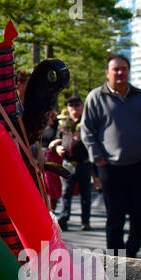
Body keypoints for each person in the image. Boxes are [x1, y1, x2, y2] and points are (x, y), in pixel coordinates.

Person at [82, 54, 141, 258]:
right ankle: (117, 261)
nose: (120, 73)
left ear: (128, 72)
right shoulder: (96, 97)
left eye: (123, 69)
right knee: (115, 217)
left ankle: (130, 253)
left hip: (139, 166)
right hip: (109, 167)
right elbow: (87, 130)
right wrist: (98, 158)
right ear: (107, 73)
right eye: (116, 69)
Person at [55, 94, 93, 230]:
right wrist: (57, 147)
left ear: (82, 107)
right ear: (68, 107)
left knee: (85, 194)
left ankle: (85, 221)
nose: (74, 108)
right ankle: (64, 218)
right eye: (71, 105)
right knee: (66, 193)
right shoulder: (64, 124)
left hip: (84, 163)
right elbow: (57, 140)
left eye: (77, 105)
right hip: (67, 164)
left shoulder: (87, 122)